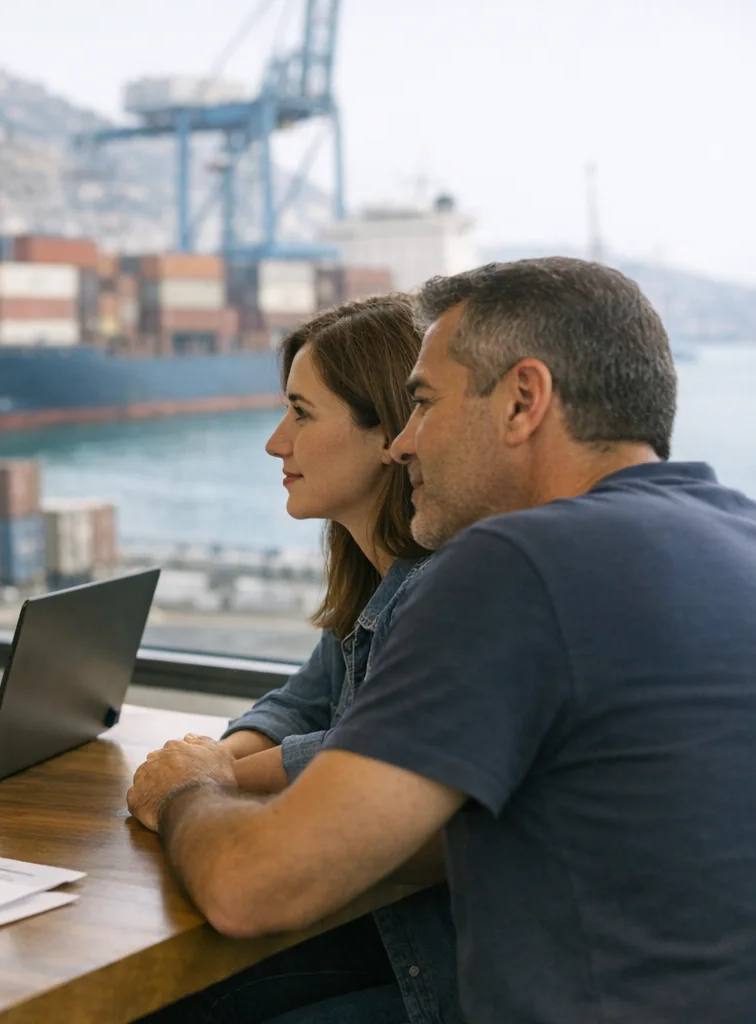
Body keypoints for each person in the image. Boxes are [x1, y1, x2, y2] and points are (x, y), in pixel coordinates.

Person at [128, 257, 756, 1022]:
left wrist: (190, 787)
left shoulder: (518, 563)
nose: (403, 443)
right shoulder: (734, 534)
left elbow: (253, 886)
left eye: (422, 403)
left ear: (523, 400)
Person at [142, 296, 459, 1024]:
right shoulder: (373, 575)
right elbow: (300, 705)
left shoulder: (445, 588)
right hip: (387, 934)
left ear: (388, 431)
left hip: (438, 972)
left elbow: (359, 759)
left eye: (302, 414)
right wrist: (216, 760)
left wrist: (201, 779)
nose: (275, 443)